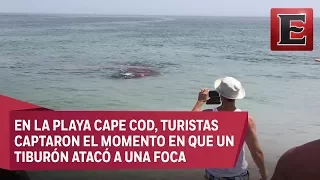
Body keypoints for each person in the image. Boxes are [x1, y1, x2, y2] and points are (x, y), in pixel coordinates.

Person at [191, 76, 268, 180]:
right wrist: (264, 175)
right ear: (236, 96)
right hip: (238, 175)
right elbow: (256, 152)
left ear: (220, 94)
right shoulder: (246, 120)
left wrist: (200, 101)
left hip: (213, 174)